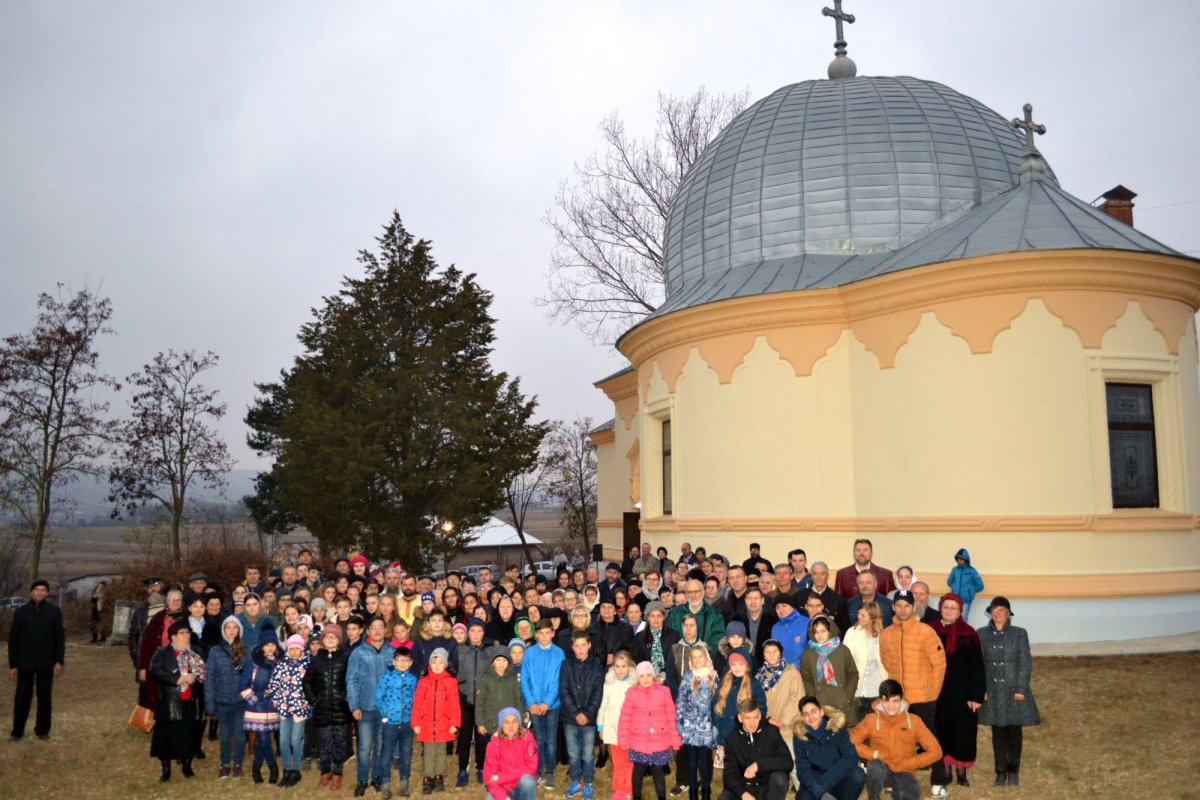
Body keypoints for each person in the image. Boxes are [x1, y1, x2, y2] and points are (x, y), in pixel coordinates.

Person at [878, 591, 947, 797]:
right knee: (897, 741)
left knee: (930, 740)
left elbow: (939, 664)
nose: (902, 609)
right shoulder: (887, 634)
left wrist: (932, 691)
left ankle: (939, 780)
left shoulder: (925, 631)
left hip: (923, 697)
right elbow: (886, 661)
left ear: (914, 607)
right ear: (893, 608)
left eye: (906, 605)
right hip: (899, 700)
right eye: (898, 605)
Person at [976, 597, 1040, 788]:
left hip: (1014, 691)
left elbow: (1025, 662)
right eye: (994, 610)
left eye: (1002, 610)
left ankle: (1013, 771)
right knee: (997, 731)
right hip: (993, 691)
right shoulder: (980, 634)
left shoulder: (1020, 634)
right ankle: (1000, 772)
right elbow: (977, 664)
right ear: (990, 612)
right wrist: (981, 689)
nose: (998, 613)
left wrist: (1021, 688)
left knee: (1014, 731)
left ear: (1008, 613)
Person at [850, 680, 941, 800]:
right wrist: (875, 754)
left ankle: (897, 791)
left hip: (904, 770)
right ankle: (873, 797)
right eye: (886, 701)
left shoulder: (914, 721)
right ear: (881, 700)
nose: (890, 705)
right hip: (882, 768)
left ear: (902, 699)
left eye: (895, 701)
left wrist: (911, 763)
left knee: (910, 796)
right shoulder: (871, 720)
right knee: (875, 765)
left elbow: (936, 751)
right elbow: (852, 741)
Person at [931, 593, 985, 787]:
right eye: (946, 607)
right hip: (939, 693)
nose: (949, 611)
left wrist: (976, 695)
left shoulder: (969, 633)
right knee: (942, 730)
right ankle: (945, 770)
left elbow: (977, 667)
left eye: (953, 608)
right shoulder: (931, 631)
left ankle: (961, 772)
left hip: (964, 695)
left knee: (963, 733)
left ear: (960, 611)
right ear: (940, 609)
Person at [7, 579, 65, 742]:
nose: (40, 593)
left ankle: (42, 730)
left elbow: (59, 638)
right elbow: (14, 640)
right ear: (31, 592)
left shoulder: (54, 611)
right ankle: (17, 731)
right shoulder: (21, 612)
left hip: (46, 662)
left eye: (43, 590)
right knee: (22, 697)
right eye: (37, 590)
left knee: (44, 696)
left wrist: (58, 661)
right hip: (25, 662)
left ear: (47, 593)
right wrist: (13, 664)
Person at [149, 620, 206, 782]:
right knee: (166, 737)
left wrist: (194, 676)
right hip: (170, 701)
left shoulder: (195, 652)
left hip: (191, 701)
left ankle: (187, 765)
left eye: (188, 633)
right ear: (173, 637)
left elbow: (205, 670)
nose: (186, 636)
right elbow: (155, 670)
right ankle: (166, 769)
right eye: (182, 633)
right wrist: (177, 679)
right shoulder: (163, 653)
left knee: (189, 734)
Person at [348, 616, 397, 795]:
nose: (377, 630)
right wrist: (354, 706)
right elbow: (351, 680)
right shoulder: (359, 653)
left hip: (385, 710)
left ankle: (377, 777)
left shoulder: (392, 653)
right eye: (373, 627)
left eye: (380, 627)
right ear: (367, 631)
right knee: (364, 747)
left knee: (381, 746)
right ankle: (362, 780)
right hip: (365, 708)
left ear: (386, 630)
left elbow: (396, 682)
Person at [619, 661, 682, 800]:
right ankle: (636, 796)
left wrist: (674, 739)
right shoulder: (631, 693)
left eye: (649, 675)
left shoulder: (664, 692)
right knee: (638, 770)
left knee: (658, 771)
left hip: (659, 740)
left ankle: (661, 796)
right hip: (638, 740)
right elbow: (625, 717)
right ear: (637, 678)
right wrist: (623, 739)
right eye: (642, 676)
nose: (646, 678)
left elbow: (671, 717)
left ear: (653, 676)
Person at [306, 624, 354, 791]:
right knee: (324, 742)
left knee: (340, 743)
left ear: (339, 640)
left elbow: (352, 680)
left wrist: (348, 697)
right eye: (327, 636)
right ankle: (325, 772)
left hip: (341, 708)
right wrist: (314, 700)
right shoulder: (316, 659)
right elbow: (306, 683)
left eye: (334, 636)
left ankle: (337, 774)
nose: (331, 639)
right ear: (322, 640)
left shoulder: (346, 657)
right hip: (322, 709)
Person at [718, 698, 793, 800]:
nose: (752, 723)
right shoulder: (732, 739)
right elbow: (729, 775)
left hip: (766, 785)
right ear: (740, 718)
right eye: (747, 718)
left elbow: (788, 762)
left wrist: (758, 765)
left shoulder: (772, 732)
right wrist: (743, 794)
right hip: (744, 787)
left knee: (780, 778)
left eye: (755, 717)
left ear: (760, 716)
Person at [560, 630, 605, 799]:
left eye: (583, 646)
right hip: (570, 718)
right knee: (573, 752)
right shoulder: (566, 665)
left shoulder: (596, 665)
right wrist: (575, 712)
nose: (580, 649)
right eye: (576, 646)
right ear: (572, 647)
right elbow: (564, 690)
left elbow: (597, 692)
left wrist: (587, 713)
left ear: (589, 645)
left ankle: (588, 782)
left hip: (589, 718)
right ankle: (575, 780)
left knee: (587, 753)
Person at [791, 697, 864, 800]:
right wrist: (820, 793)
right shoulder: (799, 736)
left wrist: (824, 783)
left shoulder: (837, 727)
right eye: (806, 714)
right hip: (815, 781)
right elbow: (802, 769)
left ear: (821, 712)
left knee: (858, 774)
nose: (810, 717)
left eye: (813, 712)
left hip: (838, 776)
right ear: (802, 717)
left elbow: (851, 756)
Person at [523, 618, 566, 788]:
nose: (544, 636)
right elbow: (525, 681)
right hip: (534, 705)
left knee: (551, 739)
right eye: (540, 633)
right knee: (538, 739)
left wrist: (547, 702)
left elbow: (558, 680)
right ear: (536, 635)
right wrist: (531, 702)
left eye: (548, 633)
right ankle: (537, 770)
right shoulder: (530, 653)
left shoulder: (559, 653)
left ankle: (549, 771)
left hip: (552, 705)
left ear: (553, 633)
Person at [413, 647, 462, 794]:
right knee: (428, 752)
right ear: (429, 664)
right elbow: (417, 703)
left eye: (441, 662)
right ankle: (428, 777)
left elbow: (454, 704)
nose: (437, 665)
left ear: (445, 664)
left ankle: (439, 775)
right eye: (434, 662)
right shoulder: (423, 682)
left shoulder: (451, 682)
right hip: (426, 724)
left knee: (441, 752)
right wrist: (416, 722)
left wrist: (454, 723)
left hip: (444, 724)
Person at [204, 616, 248, 779]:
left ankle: (237, 763)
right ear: (223, 630)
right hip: (222, 701)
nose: (231, 631)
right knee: (225, 734)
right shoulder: (215, 651)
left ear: (239, 630)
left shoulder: (245, 649)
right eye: (228, 627)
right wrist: (210, 703)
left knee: (239, 734)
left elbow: (249, 676)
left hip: (240, 701)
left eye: (234, 627)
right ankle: (224, 764)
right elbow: (210, 678)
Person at [267, 633, 312, 788]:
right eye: (291, 648)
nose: (294, 651)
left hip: (300, 708)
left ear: (301, 649)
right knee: (283, 741)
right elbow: (274, 683)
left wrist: (307, 702)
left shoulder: (307, 665)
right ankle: (286, 769)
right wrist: (274, 698)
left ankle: (296, 770)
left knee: (295, 740)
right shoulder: (282, 664)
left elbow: (311, 686)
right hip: (284, 708)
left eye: (297, 648)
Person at [674, 644, 718, 800]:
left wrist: (715, 726)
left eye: (701, 656)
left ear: (706, 658)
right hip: (689, 728)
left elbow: (717, 704)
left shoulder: (713, 677)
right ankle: (692, 792)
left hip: (706, 729)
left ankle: (706, 790)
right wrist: (680, 724)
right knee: (692, 763)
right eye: (694, 657)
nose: (698, 660)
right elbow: (680, 702)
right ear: (690, 660)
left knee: (704, 763)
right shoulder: (688, 677)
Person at [376, 647, 419, 799]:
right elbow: (378, 697)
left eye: (406, 660)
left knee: (406, 753)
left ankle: (404, 783)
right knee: (386, 753)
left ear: (411, 662)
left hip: (407, 723)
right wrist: (385, 715)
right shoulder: (386, 678)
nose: (403, 663)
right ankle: (385, 784)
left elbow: (416, 700)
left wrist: (414, 717)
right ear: (394, 661)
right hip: (390, 723)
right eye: (400, 660)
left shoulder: (413, 679)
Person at [800, 617, 858, 722]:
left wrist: (847, 695)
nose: (819, 635)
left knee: (845, 735)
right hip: (820, 702)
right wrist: (813, 697)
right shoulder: (807, 654)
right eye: (816, 632)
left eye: (823, 631)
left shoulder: (842, 650)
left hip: (841, 700)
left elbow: (852, 674)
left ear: (830, 631)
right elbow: (806, 678)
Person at [456, 619, 492, 787]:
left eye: (479, 631)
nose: (476, 634)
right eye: (472, 631)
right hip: (465, 698)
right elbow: (452, 668)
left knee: (481, 735)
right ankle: (463, 769)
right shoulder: (460, 650)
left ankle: (481, 768)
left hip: (483, 701)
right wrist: (461, 682)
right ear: (468, 633)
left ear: (483, 633)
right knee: (464, 736)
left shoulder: (489, 651)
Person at [598, 651, 638, 800]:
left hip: (628, 731)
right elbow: (603, 705)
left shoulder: (634, 685)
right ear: (613, 667)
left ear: (629, 667)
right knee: (617, 761)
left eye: (624, 666)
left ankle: (628, 790)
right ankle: (618, 789)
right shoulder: (609, 683)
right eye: (617, 666)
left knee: (628, 762)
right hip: (612, 729)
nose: (620, 670)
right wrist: (601, 727)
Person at [241, 639, 281, 783]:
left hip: (272, 707)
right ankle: (273, 767)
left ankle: (256, 768)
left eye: (272, 644)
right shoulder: (254, 663)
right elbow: (243, 684)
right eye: (266, 645)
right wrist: (254, 701)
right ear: (261, 646)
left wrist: (279, 701)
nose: (270, 648)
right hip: (256, 707)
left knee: (264, 740)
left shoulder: (279, 664)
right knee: (264, 739)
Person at [843, 602, 888, 722]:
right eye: (858, 614)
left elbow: (886, 664)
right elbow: (845, 662)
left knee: (877, 728)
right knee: (857, 728)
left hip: (877, 689)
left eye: (863, 615)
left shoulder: (883, 635)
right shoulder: (851, 633)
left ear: (873, 617)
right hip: (857, 690)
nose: (859, 617)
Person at [712, 652, 767, 747]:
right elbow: (714, 706)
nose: (737, 668)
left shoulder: (754, 685)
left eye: (741, 664)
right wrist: (718, 724)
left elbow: (761, 710)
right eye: (733, 664)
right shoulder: (724, 683)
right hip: (724, 736)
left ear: (747, 666)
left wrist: (751, 726)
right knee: (726, 761)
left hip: (745, 737)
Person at [484, 707, 540, 800]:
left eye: (514, 721)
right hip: (503, 788)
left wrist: (500, 777)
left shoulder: (528, 740)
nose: (511, 726)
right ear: (501, 724)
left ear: (519, 723)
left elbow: (531, 767)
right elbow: (490, 778)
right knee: (490, 798)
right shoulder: (493, 744)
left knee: (528, 781)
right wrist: (505, 798)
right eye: (506, 722)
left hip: (521, 786)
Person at [667, 579, 725, 653]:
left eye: (697, 591)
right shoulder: (676, 613)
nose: (693, 595)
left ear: (703, 592)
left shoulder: (714, 614)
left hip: (705, 659)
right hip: (681, 657)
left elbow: (718, 638)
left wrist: (704, 654)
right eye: (690, 592)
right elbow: (670, 637)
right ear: (686, 594)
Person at [758, 640, 804, 733]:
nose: (771, 655)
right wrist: (768, 719)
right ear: (764, 656)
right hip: (767, 727)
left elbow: (797, 698)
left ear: (780, 654)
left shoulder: (792, 672)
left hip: (788, 727)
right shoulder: (759, 676)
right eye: (767, 652)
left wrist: (783, 721)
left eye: (775, 651)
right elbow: (757, 701)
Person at [767, 593, 807, 669]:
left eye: (784, 605)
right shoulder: (775, 628)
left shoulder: (807, 624)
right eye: (777, 607)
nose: (781, 609)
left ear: (792, 606)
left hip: (802, 673)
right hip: (782, 674)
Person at [805, 563, 849, 633]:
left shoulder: (839, 600)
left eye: (822, 574)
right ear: (811, 576)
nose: (818, 577)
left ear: (827, 576)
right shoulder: (800, 597)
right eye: (815, 574)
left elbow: (844, 627)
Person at [945, 549, 984, 623]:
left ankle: (963, 633)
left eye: (961, 559)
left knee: (963, 618)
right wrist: (954, 587)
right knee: (953, 617)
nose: (959, 561)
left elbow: (980, 585)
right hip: (954, 599)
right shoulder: (955, 570)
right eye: (958, 559)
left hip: (966, 600)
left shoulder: (972, 571)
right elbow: (949, 582)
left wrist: (970, 591)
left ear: (966, 559)